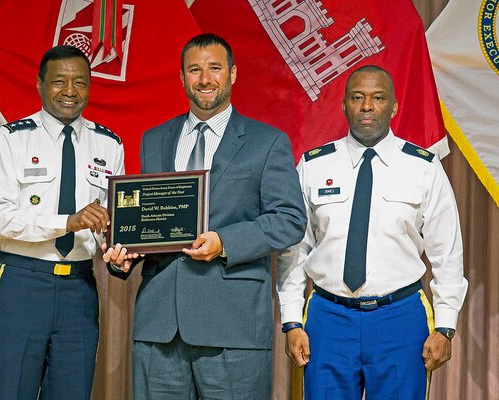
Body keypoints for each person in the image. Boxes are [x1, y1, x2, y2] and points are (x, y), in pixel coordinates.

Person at [102, 33, 306, 399]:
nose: (205, 78)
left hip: (233, 326)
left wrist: (225, 241)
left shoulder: (267, 141)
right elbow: (147, 220)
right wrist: (122, 258)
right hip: (159, 327)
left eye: (215, 68)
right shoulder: (154, 139)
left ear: (233, 74)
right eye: (194, 70)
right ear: (182, 78)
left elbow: (290, 219)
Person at [277, 64, 468, 399]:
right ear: (344, 105)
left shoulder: (423, 168)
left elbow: (447, 253)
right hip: (328, 316)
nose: (367, 106)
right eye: (358, 97)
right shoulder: (313, 165)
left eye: (378, 98)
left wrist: (445, 326)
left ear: (393, 106)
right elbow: (294, 250)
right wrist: (292, 321)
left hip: (400, 318)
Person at [0, 45, 125, 399]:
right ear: (40, 84)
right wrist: (68, 222)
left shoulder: (110, 145)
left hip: (79, 290)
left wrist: (117, 252)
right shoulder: (11, 139)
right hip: (19, 283)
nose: (71, 91)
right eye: (59, 81)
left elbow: (112, 223)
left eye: (81, 82)